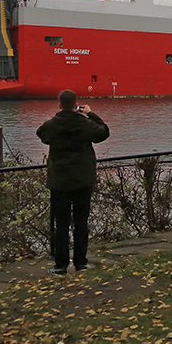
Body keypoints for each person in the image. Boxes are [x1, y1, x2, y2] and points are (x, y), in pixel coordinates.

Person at [37, 89, 111, 274]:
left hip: (59, 182)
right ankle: (81, 263)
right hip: (82, 180)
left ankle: (60, 265)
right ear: (76, 104)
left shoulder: (52, 125)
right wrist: (90, 113)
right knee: (81, 223)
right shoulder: (84, 123)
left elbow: (41, 134)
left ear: (60, 104)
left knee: (60, 224)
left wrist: (59, 116)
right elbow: (103, 132)